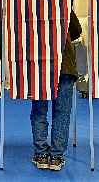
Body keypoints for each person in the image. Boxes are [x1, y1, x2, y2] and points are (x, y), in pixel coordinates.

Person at [30, 10, 82, 171]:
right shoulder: (63, 2)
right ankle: (56, 156)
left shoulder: (28, 5)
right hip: (65, 65)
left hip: (39, 65)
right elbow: (76, 31)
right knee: (62, 112)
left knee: (39, 110)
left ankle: (41, 154)